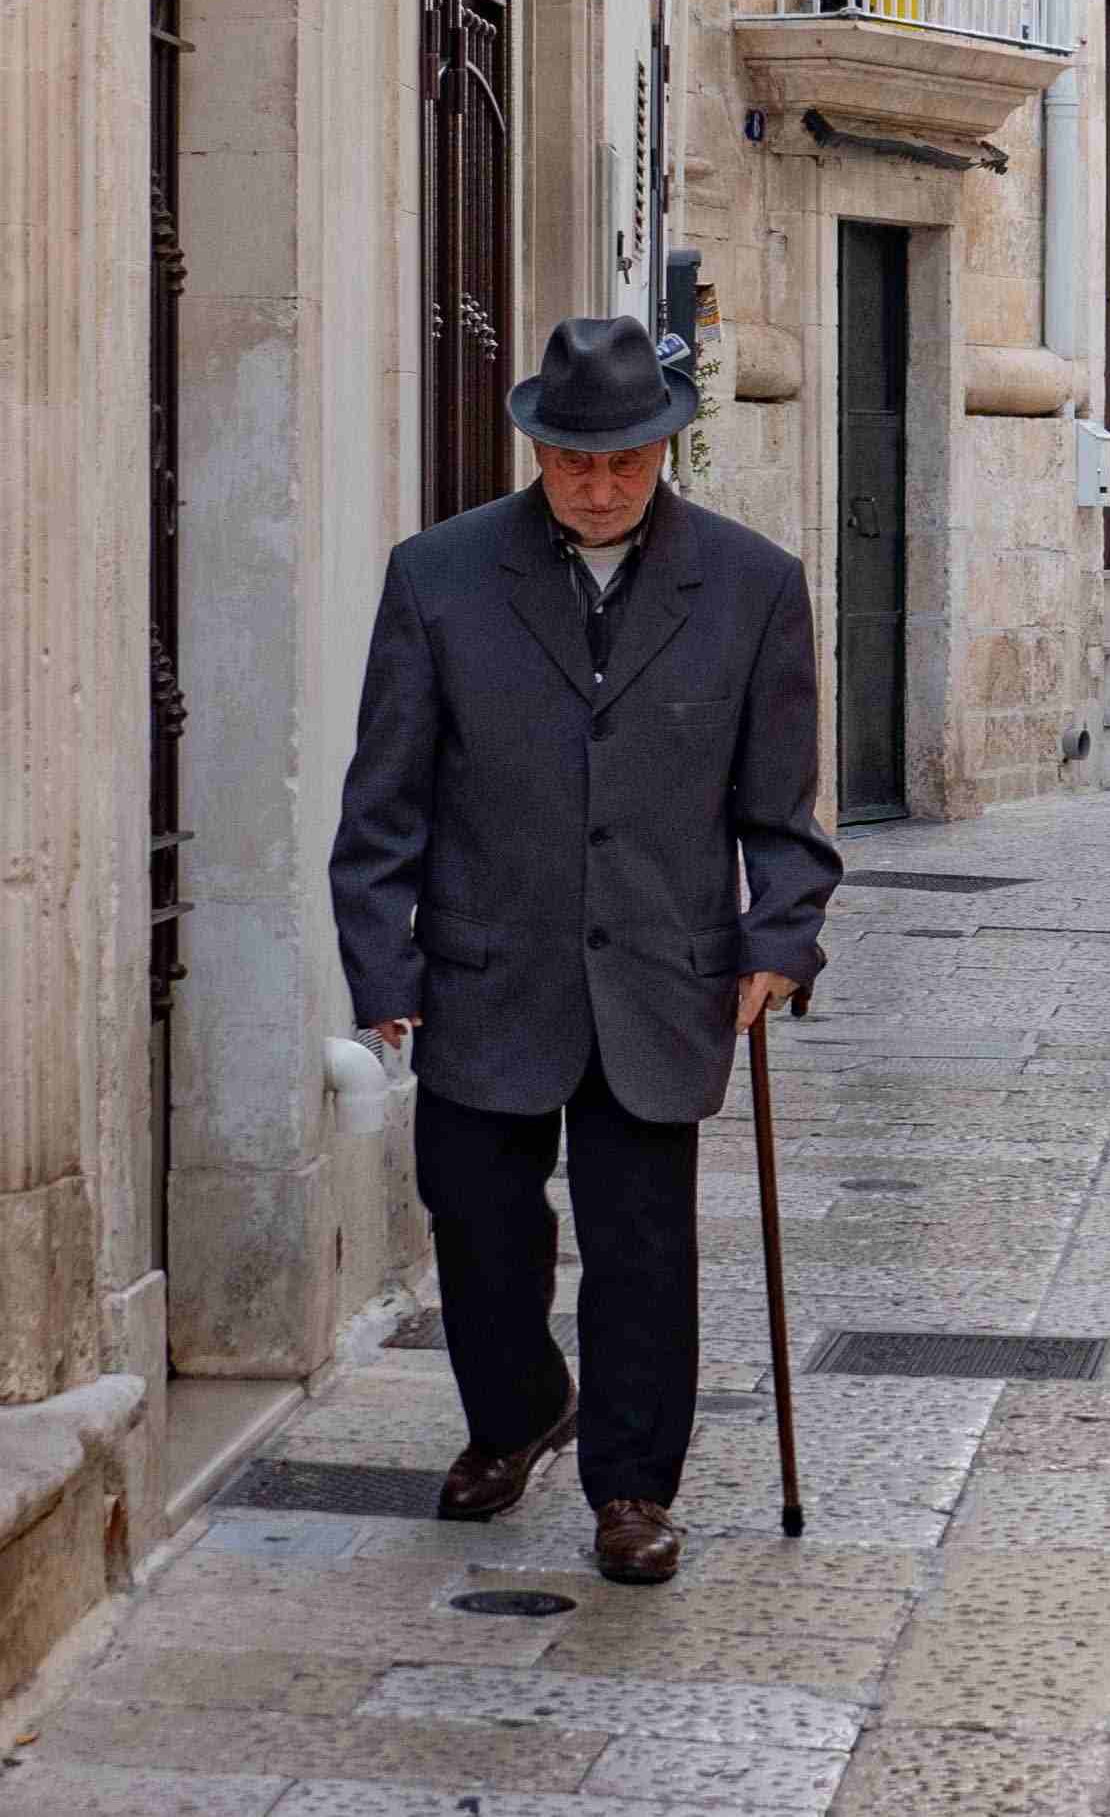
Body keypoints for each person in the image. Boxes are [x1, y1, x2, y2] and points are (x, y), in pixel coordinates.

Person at [336, 314, 840, 1586]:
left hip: (663, 975)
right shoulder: (437, 577)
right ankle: (518, 1412)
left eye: (625, 463)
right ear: (538, 451)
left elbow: (784, 813)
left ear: (665, 448)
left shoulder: (754, 586)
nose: (601, 489)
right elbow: (384, 801)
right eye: (575, 463)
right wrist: (382, 968)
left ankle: (631, 1486)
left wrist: (781, 937)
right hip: (484, 969)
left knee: (642, 1245)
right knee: (476, 1219)